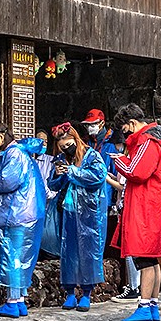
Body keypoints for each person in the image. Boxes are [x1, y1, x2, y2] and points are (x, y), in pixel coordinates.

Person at [110, 103, 161, 321]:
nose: (124, 134)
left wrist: (118, 159)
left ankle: (144, 305)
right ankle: (152, 304)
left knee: (143, 257)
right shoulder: (158, 141)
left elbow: (136, 172)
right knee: (151, 259)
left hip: (144, 207)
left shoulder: (147, 142)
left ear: (132, 124)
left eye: (125, 128)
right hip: (152, 205)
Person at [0, 118, 47, 318]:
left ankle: (12, 301)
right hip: (27, 213)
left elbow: (6, 181)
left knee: (12, 257)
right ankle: (19, 301)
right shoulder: (22, 152)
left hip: (15, 214)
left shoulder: (14, 153)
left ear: (0, 137)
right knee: (20, 258)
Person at [48, 122, 109, 311]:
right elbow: (53, 185)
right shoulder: (61, 159)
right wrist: (59, 175)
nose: (67, 148)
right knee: (69, 252)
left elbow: (98, 176)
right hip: (68, 210)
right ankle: (69, 292)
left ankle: (87, 293)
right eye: (63, 146)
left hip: (89, 212)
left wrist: (73, 171)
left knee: (89, 252)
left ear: (76, 139)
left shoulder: (92, 155)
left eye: (68, 144)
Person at [83, 110, 136, 302]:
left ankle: (128, 285)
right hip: (87, 198)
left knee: (104, 239)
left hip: (106, 198)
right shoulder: (88, 144)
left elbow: (120, 177)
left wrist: (112, 194)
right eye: (88, 124)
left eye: (93, 123)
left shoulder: (112, 145)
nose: (90, 127)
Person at [34, 128, 62, 260]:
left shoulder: (51, 161)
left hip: (47, 208)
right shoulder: (28, 160)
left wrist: (46, 193)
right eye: (40, 140)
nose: (43, 144)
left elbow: (53, 186)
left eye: (45, 141)